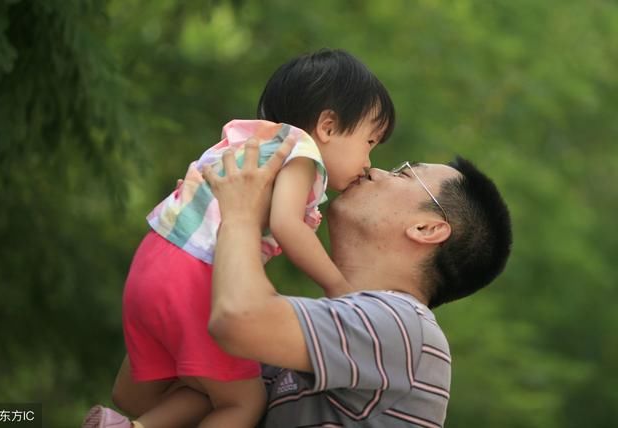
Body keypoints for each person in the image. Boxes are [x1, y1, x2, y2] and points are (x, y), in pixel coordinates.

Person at [82, 49, 395, 428]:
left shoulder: (249, 144)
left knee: (167, 392)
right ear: (327, 127)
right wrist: (339, 287)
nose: (369, 163)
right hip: (195, 276)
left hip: (153, 261)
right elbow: (286, 225)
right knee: (244, 403)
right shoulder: (300, 154)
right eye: (370, 142)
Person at [200, 138, 512, 427]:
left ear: (426, 228)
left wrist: (240, 214)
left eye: (403, 174)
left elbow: (237, 318)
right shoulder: (342, 332)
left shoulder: (404, 326)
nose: (372, 170)